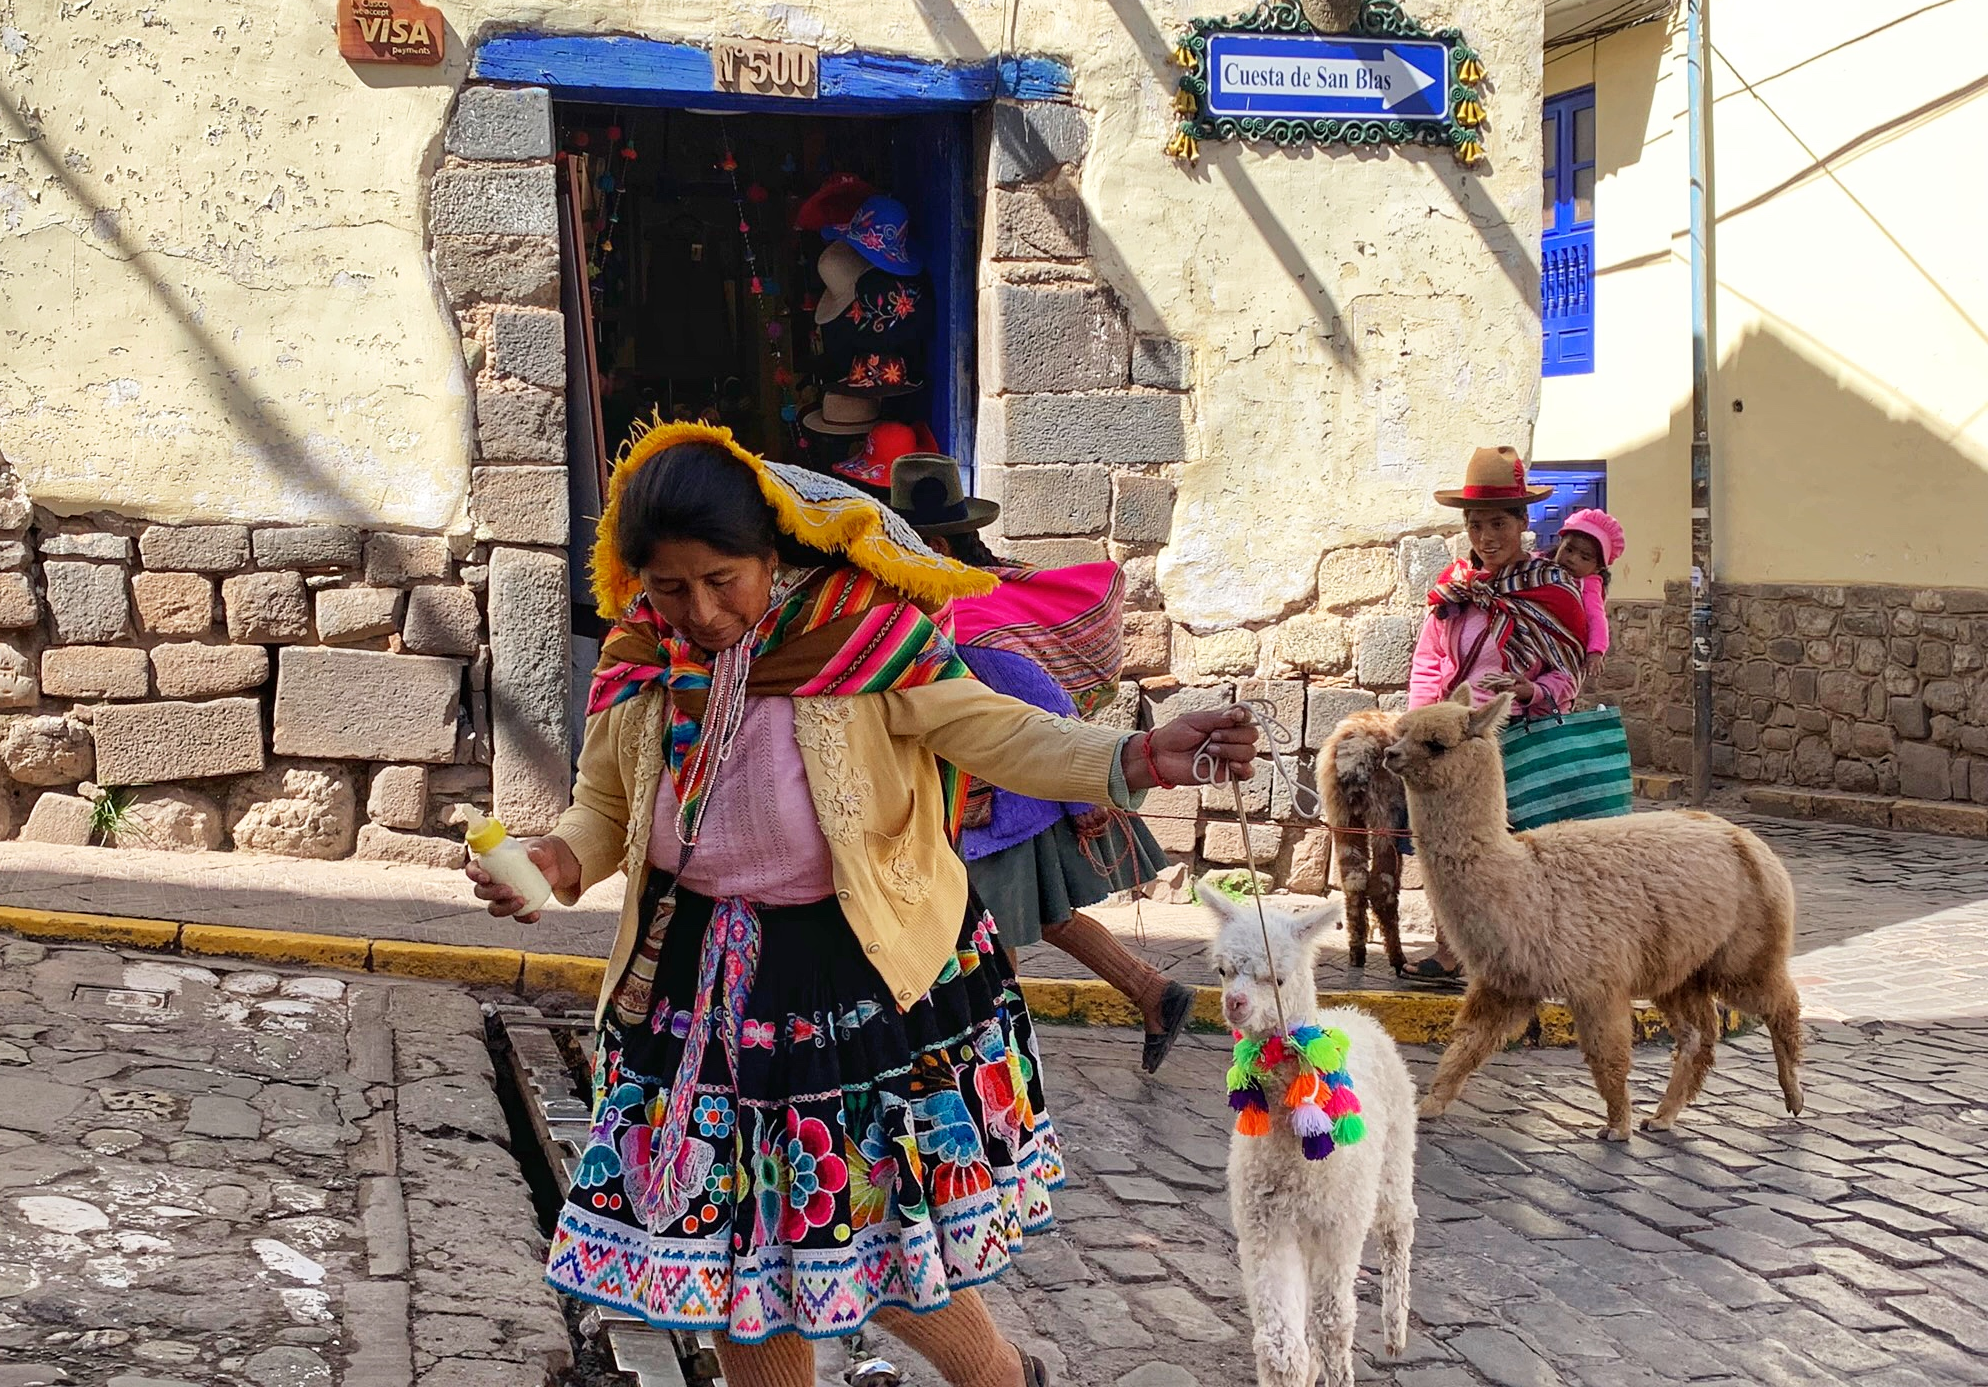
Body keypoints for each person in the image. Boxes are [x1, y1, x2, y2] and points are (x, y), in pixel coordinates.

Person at [465, 423, 1256, 1387]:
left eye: (722, 580)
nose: (701, 612)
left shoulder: (864, 642)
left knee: (869, 1222)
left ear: (771, 556)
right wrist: (554, 858)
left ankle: (1001, 1379)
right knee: (735, 1249)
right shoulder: (641, 657)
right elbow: (605, 807)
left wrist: (1134, 756)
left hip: (850, 975)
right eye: (670, 588)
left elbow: (1003, 734)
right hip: (696, 979)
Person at [890, 453, 1198, 1075]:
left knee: (982, 928)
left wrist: (1085, 800)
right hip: (996, 802)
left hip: (1003, 806)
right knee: (1039, 917)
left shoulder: (970, 621)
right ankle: (1153, 993)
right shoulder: (974, 601)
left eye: (902, 547)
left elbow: (1048, 705)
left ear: (934, 546)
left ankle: (994, 1060)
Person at [1403, 446, 1590, 986]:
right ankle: (1454, 949)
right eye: (1476, 525)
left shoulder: (1551, 589)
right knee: (1449, 849)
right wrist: (1422, 724)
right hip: (1451, 746)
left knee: (1518, 851)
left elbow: (1568, 672)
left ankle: (1528, 950)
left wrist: (1533, 690)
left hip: (1519, 737)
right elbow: (1430, 661)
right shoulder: (1455, 590)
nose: (1486, 537)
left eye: (1498, 524)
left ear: (1522, 522)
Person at [1551, 508, 1624, 688]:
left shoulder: (1589, 586)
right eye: (1568, 549)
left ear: (1598, 567)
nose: (1572, 559)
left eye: (1584, 557)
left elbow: (1596, 618)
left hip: (1563, 650)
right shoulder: (1542, 567)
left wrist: (1596, 652)